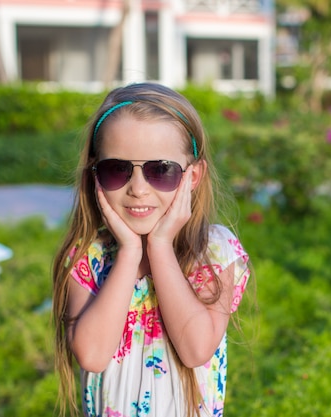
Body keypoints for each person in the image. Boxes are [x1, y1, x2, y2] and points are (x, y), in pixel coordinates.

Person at [52, 82, 251, 417]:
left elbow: (195, 349)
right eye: (117, 169)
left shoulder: (214, 250)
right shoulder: (89, 256)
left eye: (160, 170)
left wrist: (159, 246)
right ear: (94, 174)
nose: (138, 189)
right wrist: (129, 252)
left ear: (193, 176)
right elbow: (92, 354)